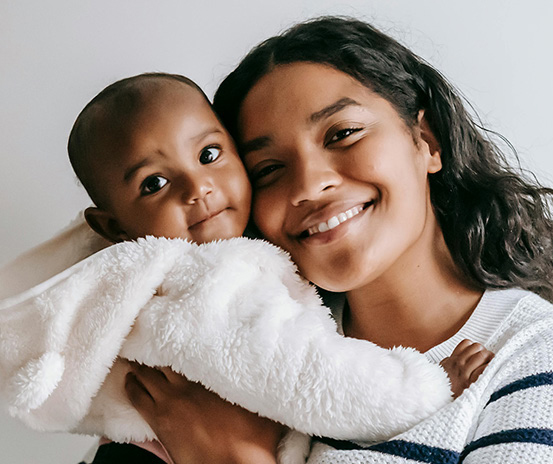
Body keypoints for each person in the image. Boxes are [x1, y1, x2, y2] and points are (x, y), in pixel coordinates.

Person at [123, 16, 553, 464]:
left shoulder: (545, 356)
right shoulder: (237, 350)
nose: (308, 185)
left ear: (426, 140)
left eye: (343, 134)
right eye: (268, 169)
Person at [54, 72, 489, 463]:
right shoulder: (211, 280)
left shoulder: (537, 354)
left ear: (427, 141)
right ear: (112, 226)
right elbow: (312, 378)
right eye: (154, 183)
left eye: (208, 154)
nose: (199, 188)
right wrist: (428, 386)